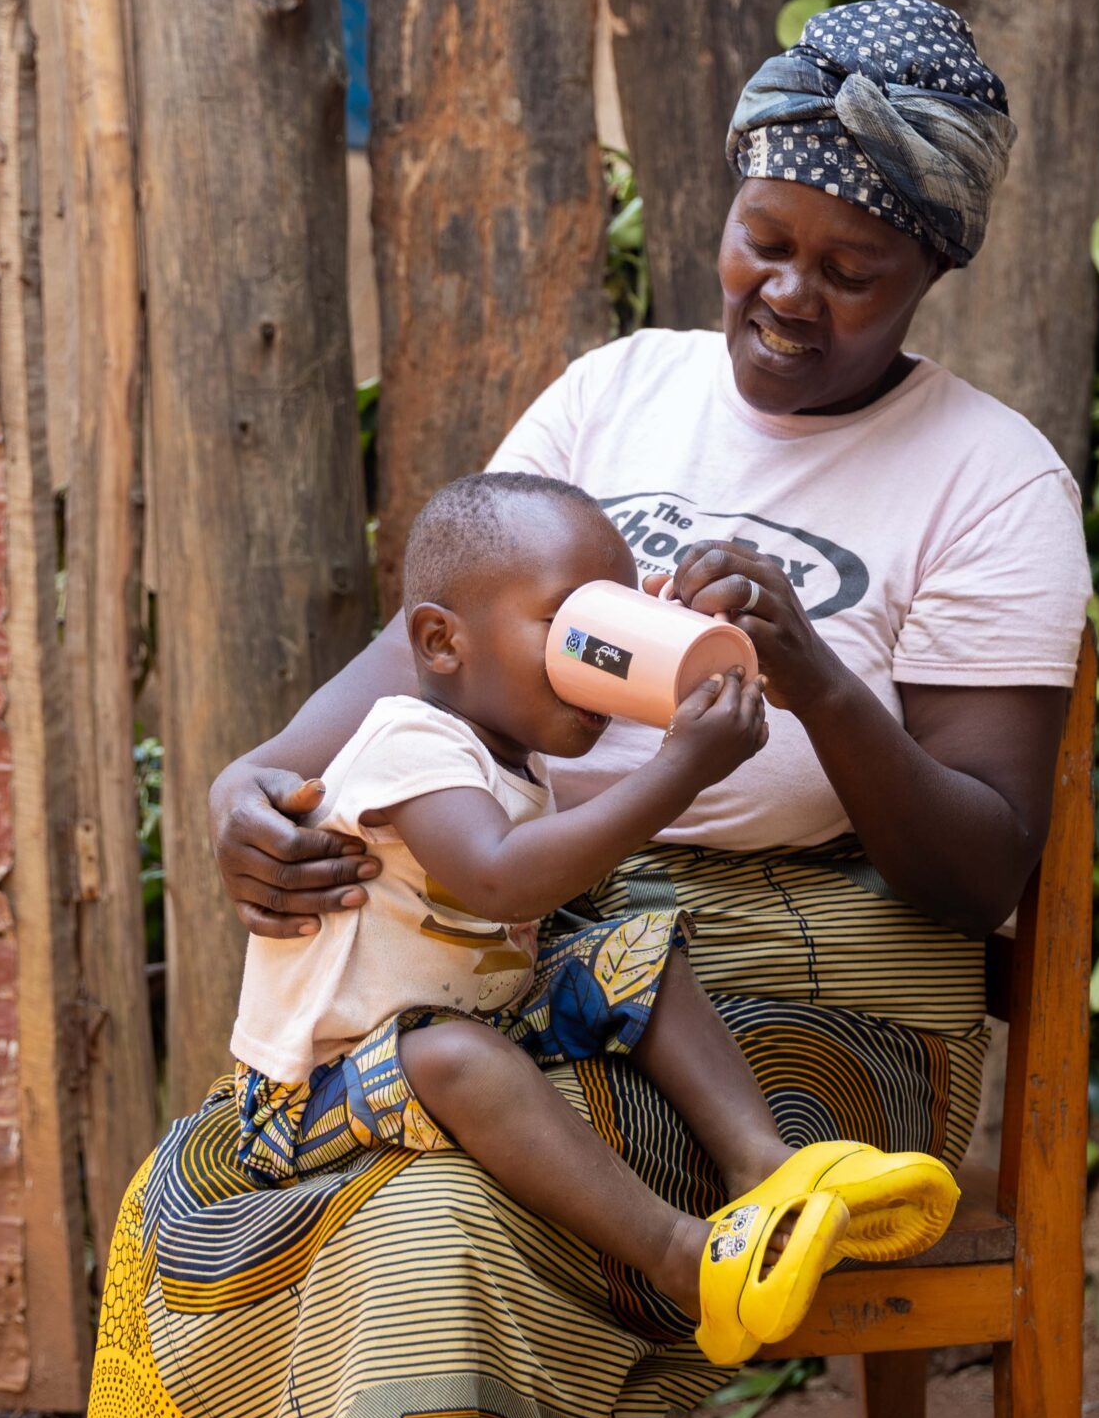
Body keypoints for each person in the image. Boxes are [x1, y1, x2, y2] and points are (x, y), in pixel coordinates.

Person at [63, 0, 1088, 1418]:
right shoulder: (621, 395)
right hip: (531, 949)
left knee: (433, 1219)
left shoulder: (989, 478)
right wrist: (259, 777)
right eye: (766, 239)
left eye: (852, 270)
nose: (789, 293)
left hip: (815, 1012)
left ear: (932, 272)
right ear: (728, 206)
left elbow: (981, 868)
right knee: (198, 1187)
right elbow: (437, 637)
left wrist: (810, 671)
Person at [226, 468, 959, 1369]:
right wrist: (681, 768)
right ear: (441, 642)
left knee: (636, 949)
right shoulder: (406, 741)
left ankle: (767, 1169)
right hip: (320, 1088)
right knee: (460, 1056)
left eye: (613, 620)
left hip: (462, 1021)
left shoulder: (509, 753)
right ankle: (685, 1259)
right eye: (568, 626)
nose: (597, 653)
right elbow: (501, 881)